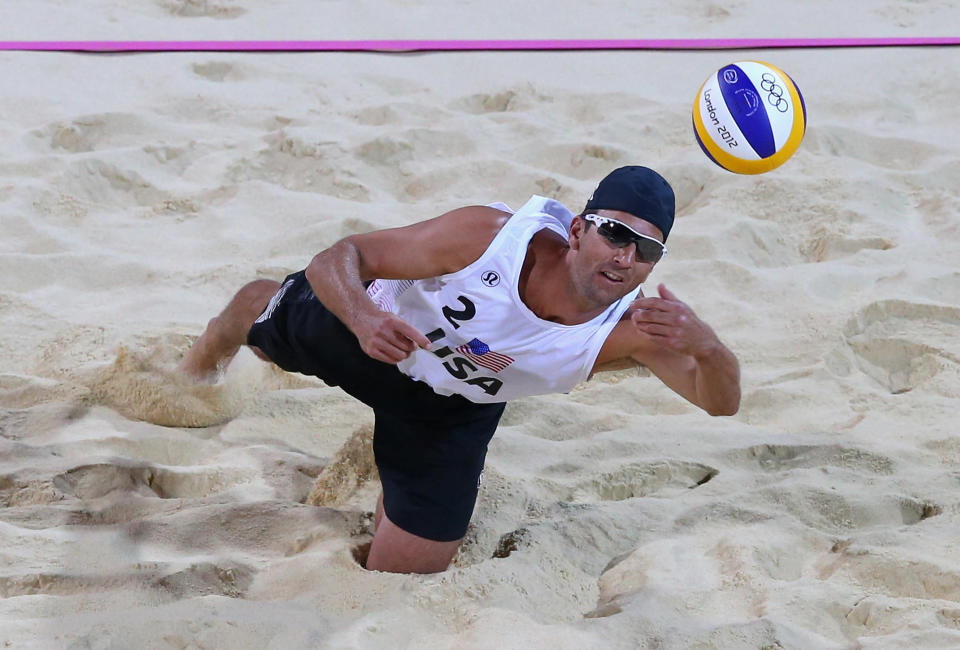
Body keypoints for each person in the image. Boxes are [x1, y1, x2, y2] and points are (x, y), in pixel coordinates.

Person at [177, 165, 740, 574]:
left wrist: (710, 348)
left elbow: (720, 402)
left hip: (450, 411)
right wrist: (365, 316)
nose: (625, 257)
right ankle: (205, 360)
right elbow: (339, 257)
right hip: (374, 336)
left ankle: (391, 482)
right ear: (576, 230)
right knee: (263, 321)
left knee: (406, 572)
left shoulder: (639, 327)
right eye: (615, 234)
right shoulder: (488, 238)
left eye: (647, 250)